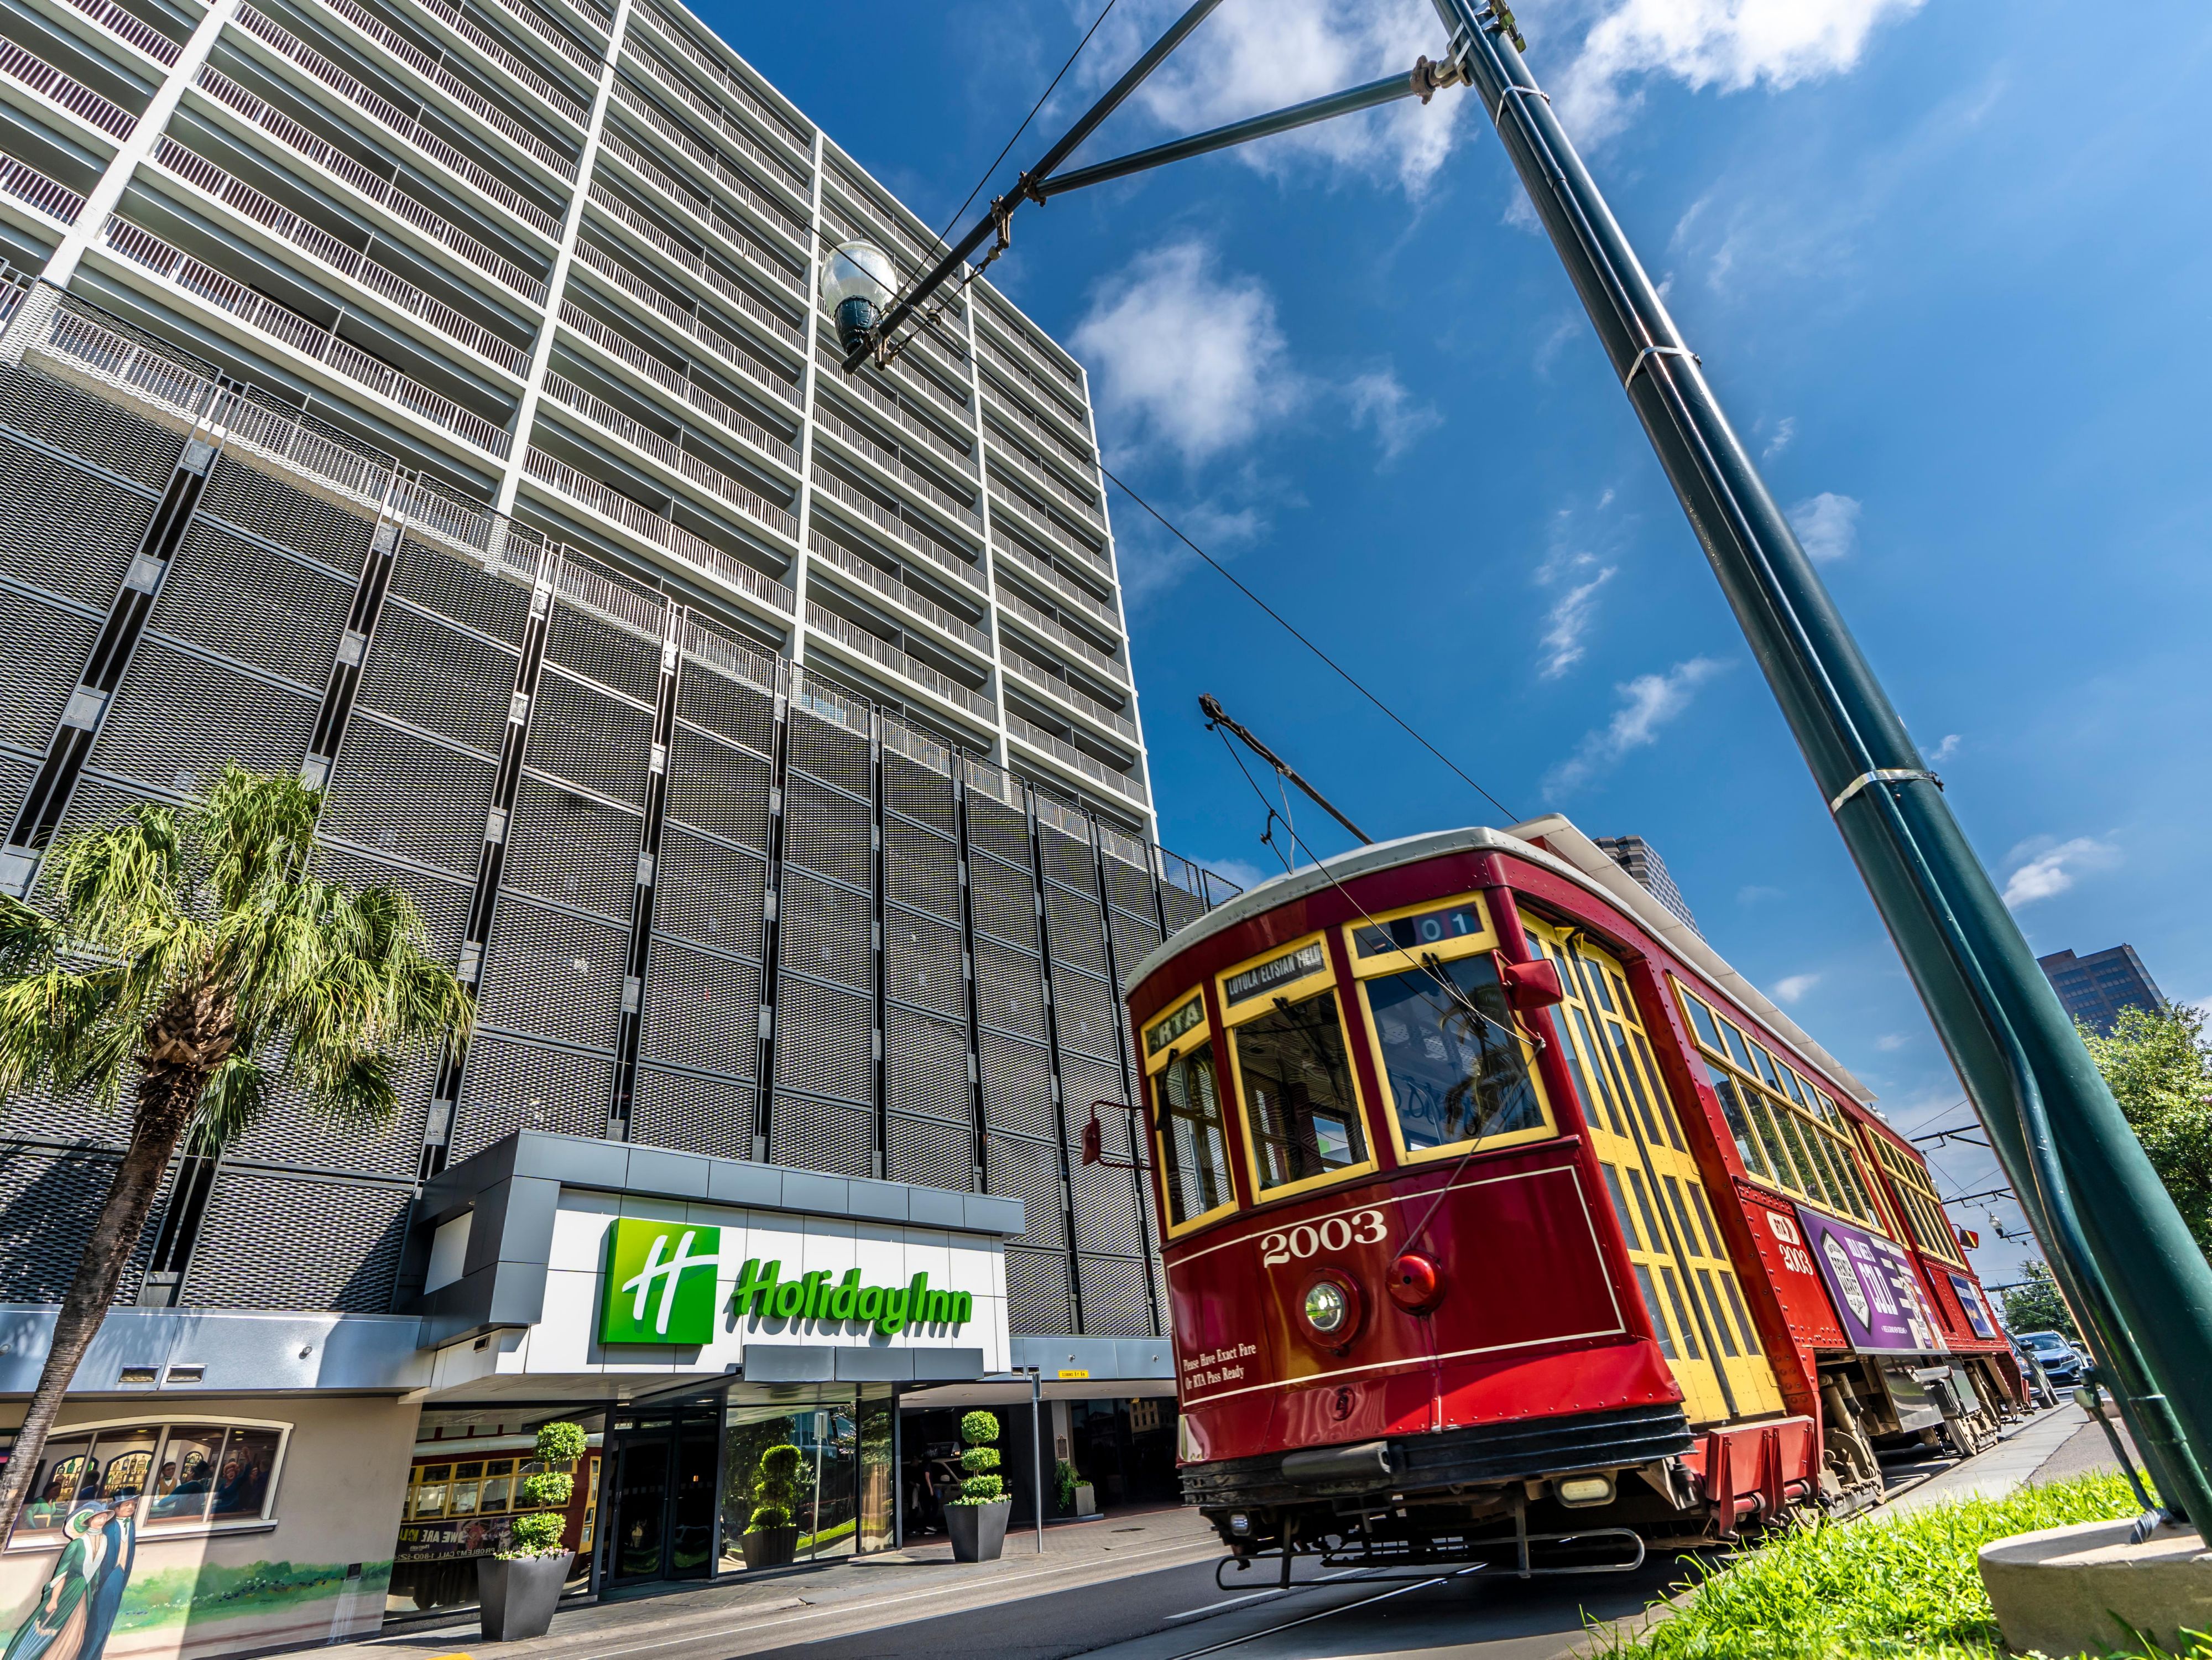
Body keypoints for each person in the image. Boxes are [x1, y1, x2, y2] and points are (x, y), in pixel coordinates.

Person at [2, 1504, 113, 1660]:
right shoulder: (77, 1544)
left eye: (104, 1517)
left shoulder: (104, 1541)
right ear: (88, 1521)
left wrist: (93, 1591)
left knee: (76, 1627)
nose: (102, 1520)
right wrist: (53, 1599)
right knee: (51, 1625)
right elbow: (62, 1574)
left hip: (84, 1592)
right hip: (67, 1591)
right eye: (98, 1517)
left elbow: (97, 1570)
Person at [77, 1498, 136, 1660]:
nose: (131, 1507)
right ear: (116, 1509)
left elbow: (130, 1552)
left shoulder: (131, 1526)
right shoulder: (109, 1528)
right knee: (98, 1622)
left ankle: (97, 1656)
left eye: (133, 1505)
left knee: (108, 1621)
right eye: (127, 1505)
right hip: (106, 1579)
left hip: (120, 1576)